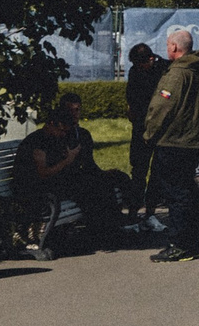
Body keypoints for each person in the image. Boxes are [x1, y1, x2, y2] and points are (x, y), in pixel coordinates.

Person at [14, 97, 124, 247]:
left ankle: (109, 228)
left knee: (98, 183)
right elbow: (43, 173)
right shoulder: (37, 142)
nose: (64, 135)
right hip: (34, 189)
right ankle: (103, 231)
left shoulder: (52, 138)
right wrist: (67, 160)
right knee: (87, 188)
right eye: (62, 130)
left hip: (48, 183)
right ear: (52, 124)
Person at [143, 29, 199, 264]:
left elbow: (161, 107)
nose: (166, 48)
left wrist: (149, 133)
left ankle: (180, 245)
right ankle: (191, 242)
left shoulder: (177, 74)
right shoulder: (197, 69)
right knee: (188, 194)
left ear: (174, 47)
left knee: (176, 195)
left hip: (172, 141)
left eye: (168, 44)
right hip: (189, 140)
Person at [123, 41, 162, 227]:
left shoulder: (164, 69)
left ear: (150, 59)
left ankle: (151, 211)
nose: (138, 68)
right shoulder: (135, 71)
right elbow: (131, 95)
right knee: (138, 170)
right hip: (140, 127)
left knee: (157, 170)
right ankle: (133, 210)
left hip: (159, 128)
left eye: (140, 65)